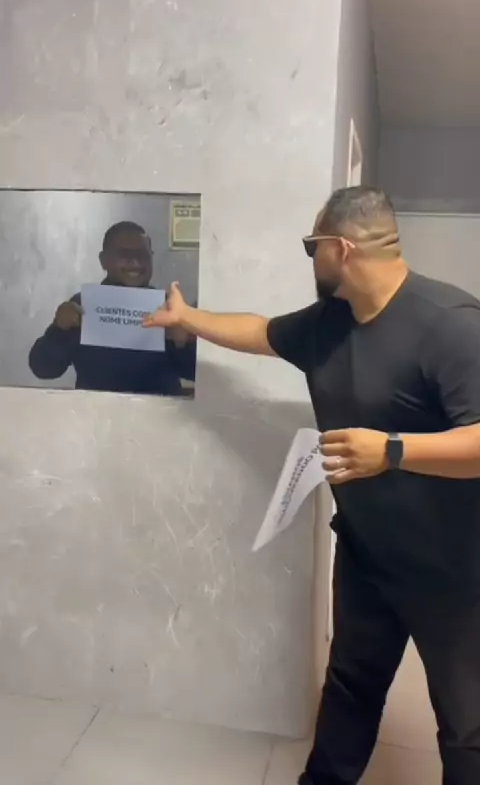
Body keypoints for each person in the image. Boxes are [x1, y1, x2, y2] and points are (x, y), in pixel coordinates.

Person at [144, 185, 480, 785]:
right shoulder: (332, 322)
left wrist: (393, 450)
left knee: (466, 724)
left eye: (312, 246)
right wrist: (188, 318)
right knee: (351, 687)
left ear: (341, 249)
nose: (310, 258)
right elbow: (260, 332)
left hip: (455, 570)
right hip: (368, 555)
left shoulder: (451, 325)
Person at [29, 220, 196, 396]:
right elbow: (43, 369)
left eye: (143, 254)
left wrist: (182, 343)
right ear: (103, 260)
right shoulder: (84, 306)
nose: (135, 262)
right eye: (124, 254)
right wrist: (59, 330)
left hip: (160, 410)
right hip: (96, 410)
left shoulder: (169, 307)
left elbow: (194, 373)